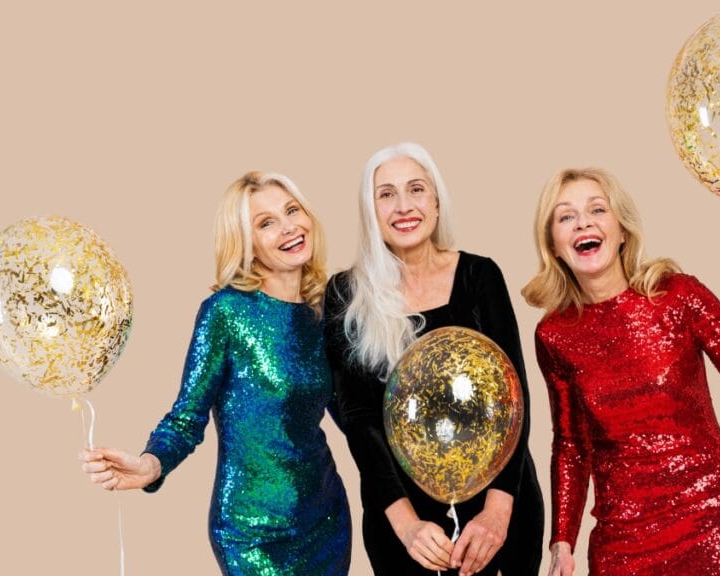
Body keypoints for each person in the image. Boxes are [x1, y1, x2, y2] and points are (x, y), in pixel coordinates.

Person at [522, 168, 720, 576]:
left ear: (621, 230)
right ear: (554, 243)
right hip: (623, 547)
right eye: (565, 216)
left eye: (597, 209)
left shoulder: (679, 296)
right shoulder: (554, 335)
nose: (583, 222)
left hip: (713, 531)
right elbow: (570, 444)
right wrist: (562, 540)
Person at [79, 172, 351, 575]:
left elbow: (350, 413)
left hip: (325, 519)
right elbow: (187, 418)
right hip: (250, 532)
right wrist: (151, 465)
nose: (288, 227)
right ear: (248, 244)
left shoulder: (325, 311)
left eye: (291, 210)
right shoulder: (225, 312)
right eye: (266, 223)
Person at [324, 142, 544, 576]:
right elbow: (359, 418)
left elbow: (514, 397)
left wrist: (498, 515)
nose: (403, 206)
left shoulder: (481, 275)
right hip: (403, 517)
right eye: (386, 194)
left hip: (500, 503)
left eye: (416, 189)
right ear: (370, 211)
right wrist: (406, 526)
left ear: (437, 203)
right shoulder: (345, 293)